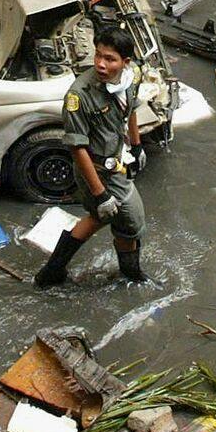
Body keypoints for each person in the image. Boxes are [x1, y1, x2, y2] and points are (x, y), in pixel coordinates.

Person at [34, 26, 150, 288]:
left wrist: (137, 144)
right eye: (98, 56)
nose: (100, 64)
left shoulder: (132, 77)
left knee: (100, 218)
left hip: (118, 160)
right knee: (132, 220)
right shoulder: (79, 95)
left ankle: (51, 273)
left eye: (110, 59)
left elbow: (131, 109)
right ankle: (132, 275)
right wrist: (100, 194)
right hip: (98, 170)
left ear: (125, 63)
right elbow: (77, 148)